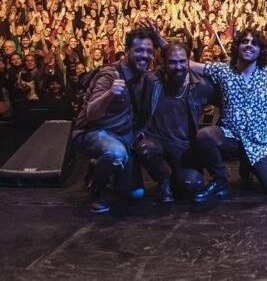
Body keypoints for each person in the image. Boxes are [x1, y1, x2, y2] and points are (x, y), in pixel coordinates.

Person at [191, 28, 267, 202]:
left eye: (254, 43)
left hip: (258, 143)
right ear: (237, 46)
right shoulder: (223, 70)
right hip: (230, 137)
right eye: (244, 42)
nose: (249, 45)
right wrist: (162, 44)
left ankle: (248, 166)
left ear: (260, 50)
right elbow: (187, 63)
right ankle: (220, 181)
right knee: (205, 135)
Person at [71, 27, 158, 213]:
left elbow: (177, 61)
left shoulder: (143, 77)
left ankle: (100, 169)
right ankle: (97, 192)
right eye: (139, 50)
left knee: (135, 194)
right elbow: (91, 114)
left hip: (123, 137)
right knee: (116, 154)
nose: (145, 55)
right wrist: (110, 93)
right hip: (94, 133)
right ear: (127, 51)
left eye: (149, 51)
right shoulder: (109, 75)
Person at [133, 42, 216, 203]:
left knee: (192, 186)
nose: (178, 66)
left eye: (182, 61)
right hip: (155, 139)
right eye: (172, 62)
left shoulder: (202, 86)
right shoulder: (152, 81)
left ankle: (175, 178)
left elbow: (226, 103)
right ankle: (163, 180)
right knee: (146, 150)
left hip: (183, 145)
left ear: (189, 60)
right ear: (163, 63)